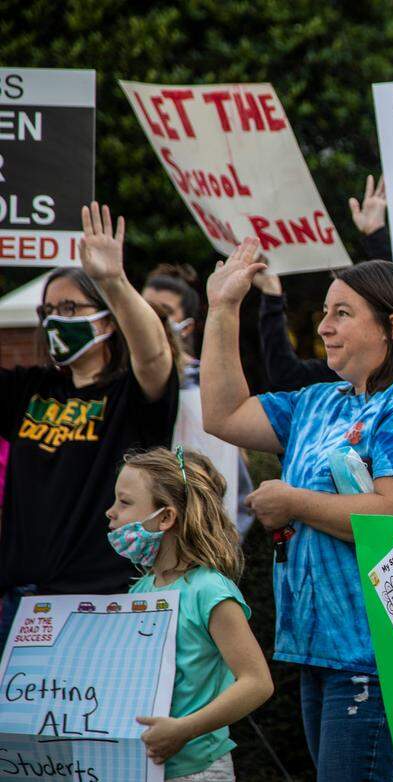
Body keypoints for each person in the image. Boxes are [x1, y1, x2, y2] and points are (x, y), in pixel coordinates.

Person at [200, 241, 393, 782]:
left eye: (341, 313)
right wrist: (224, 309)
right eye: (324, 312)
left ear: (392, 325)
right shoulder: (321, 400)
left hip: (378, 654)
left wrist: (293, 501)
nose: (323, 326)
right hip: (323, 650)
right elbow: (223, 414)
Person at [0, 202, 178, 644]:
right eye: (48, 312)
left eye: (70, 308)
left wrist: (112, 282)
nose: (56, 320)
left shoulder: (130, 396)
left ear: (107, 319)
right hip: (22, 601)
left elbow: (155, 355)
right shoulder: (30, 390)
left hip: (101, 601)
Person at [106, 446, 273, 781]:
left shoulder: (209, 590)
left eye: (124, 502)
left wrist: (183, 729)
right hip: (142, 769)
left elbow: (257, 683)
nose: (111, 512)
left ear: (165, 517)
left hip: (199, 770)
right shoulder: (140, 591)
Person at [144, 264, 254, 539]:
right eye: (144, 308)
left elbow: (230, 482)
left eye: (164, 312)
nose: (151, 318)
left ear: (187, 326)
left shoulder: (207, 386)